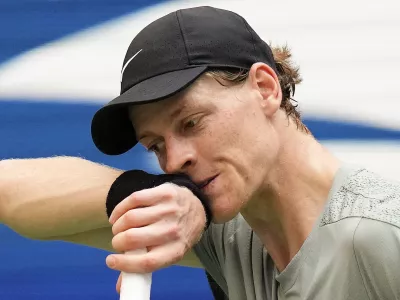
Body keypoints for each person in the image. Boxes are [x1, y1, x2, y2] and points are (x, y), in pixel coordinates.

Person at [1, 5, 400, 300]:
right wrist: (161, 194)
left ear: (264, 88)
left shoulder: (376, 238)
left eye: (191, 122)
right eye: (155, 146)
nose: (174, 162)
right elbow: (9, 192)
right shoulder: (230, 226)